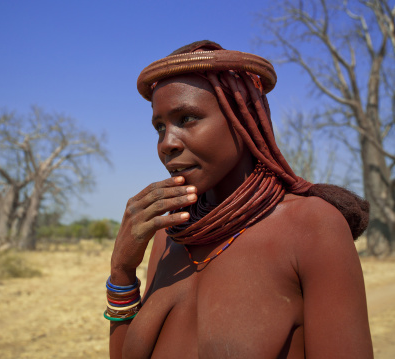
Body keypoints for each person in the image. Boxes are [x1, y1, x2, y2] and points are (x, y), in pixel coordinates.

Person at [106, 40, 373, 358]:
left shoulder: (312, 225)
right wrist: (122, 270)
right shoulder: (171, 233)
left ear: (242, 117)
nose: (167, 143)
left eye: (187, 119)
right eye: (159, 127)